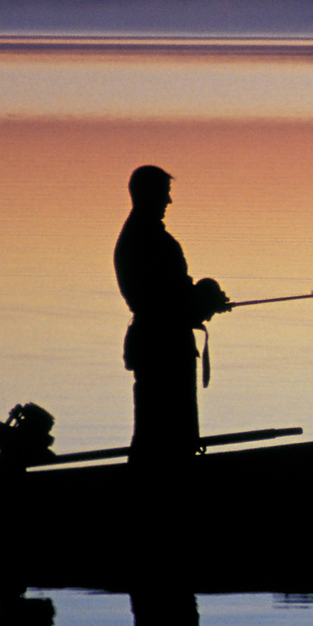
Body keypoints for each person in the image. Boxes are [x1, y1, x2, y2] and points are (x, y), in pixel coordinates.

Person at [114, 165, 229, 463]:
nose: (169, 202)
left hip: (153, 345)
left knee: (154, 432)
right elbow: (170, 303)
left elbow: (172, 299)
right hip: (164, 349)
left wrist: (203, 299)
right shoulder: (151, 241)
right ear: (148, 194)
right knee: (168, 435)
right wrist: (206, 300)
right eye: (165, 194)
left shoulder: (138, 237)